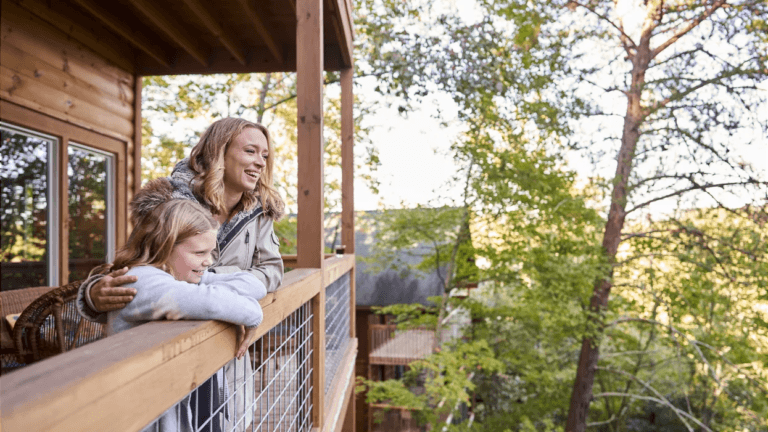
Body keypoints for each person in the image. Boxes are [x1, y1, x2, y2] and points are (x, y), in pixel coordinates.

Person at [76, 117, 285, 320]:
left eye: (265, 156)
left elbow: (272, 271)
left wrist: (207, 279)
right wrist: (92, 294)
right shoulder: (168, 203)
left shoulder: (261, 211)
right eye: (250, 151)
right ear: (219, 152)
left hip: (231, 334)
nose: (260, 163)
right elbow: (134, 265)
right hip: (168, 337)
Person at [94, 192, 266, 432]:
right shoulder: (139, 281)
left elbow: (255, 285)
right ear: (164, 246)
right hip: (142, 413)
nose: (208, 262)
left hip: (171, 400)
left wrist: (209, 280)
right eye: (199, 253)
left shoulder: (178, 276)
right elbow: (210, 302)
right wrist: (254, 314)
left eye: (210, 253)